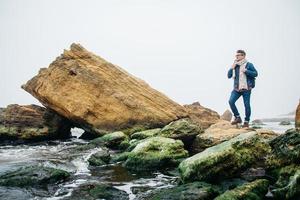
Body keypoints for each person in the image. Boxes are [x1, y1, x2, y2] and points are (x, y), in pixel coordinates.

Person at [227, 50, 258, 128]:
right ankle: (238, 117)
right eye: (236, 55)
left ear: (243, 56)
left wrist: (246, 71)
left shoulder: (249, 64)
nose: (236, 57)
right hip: (237, 89)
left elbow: (255, 74)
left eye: (238, 55)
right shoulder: (235, 65)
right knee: (231, 101)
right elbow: (229, 76)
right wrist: (232, 68)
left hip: (246, 89)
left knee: (246, 105)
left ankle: (246, 122)